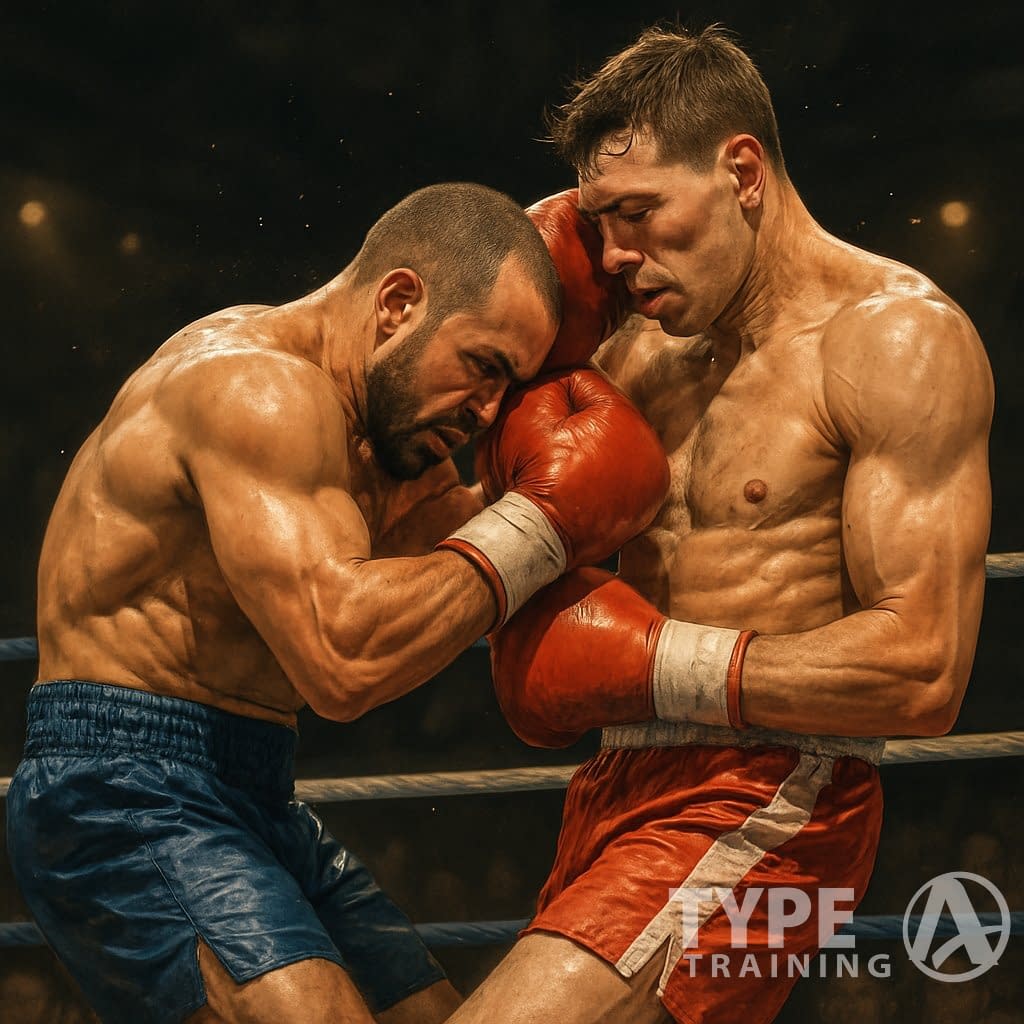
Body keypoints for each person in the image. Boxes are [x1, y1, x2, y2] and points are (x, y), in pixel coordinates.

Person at [5, 181, 670, 1024]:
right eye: (483, 366)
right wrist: (541, 524)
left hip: (255, 788)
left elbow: (444, 574)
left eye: (512, 386)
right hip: (121, 787)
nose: (489, 409)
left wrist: (552, 479)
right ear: (398, 303)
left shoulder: (395, 438)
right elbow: (344, 656)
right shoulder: (258, 390)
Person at [449, 24, 994, 1024]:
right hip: (610, 783)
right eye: (597, 222)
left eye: (638, 213)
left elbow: (923, 669)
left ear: (741, 170)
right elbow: (467, 540)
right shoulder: (633, 360)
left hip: (778, 789)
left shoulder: (894, 340)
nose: (612, 255)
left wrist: (654, 661)